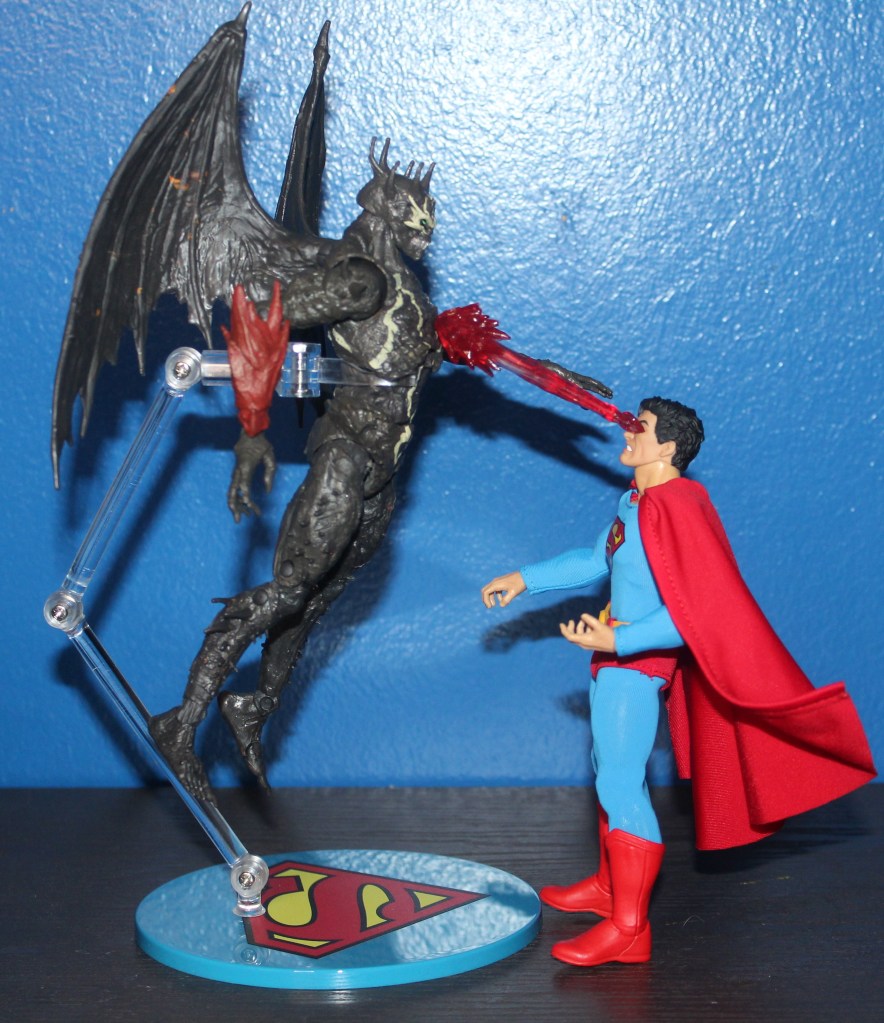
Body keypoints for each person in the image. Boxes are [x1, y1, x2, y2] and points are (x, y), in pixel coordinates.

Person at [481, 397, 875, 968]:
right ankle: (610, 886)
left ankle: (629, 928)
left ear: (666, 446)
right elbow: (595, 559)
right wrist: (525, 578)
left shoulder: (680, 509)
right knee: (608, 773)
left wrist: (622, 640)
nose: (628, 432)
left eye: (639, 427)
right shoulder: (635, 503)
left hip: (639, 664)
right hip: (611, 658)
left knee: (621, 782)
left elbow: (695, 612)